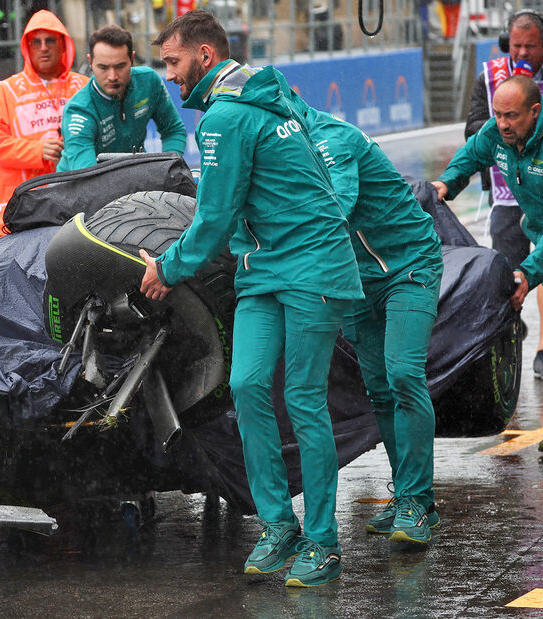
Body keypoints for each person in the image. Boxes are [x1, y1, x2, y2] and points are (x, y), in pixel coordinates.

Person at [139, 10, 362, 587]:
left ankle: (323, 541)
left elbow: (213, 218)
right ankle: (277, 524)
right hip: (264, 267)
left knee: (305, 398)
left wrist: (167, 267)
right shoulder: (261, 89)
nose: (168, 77)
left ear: (205, 57)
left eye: (173, 63)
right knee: (246, 384)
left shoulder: (226, 118)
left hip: (312, 265)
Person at [285, 87, 444, 545]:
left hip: (409, 263)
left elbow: (336, 209)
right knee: (379, 389)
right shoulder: (281, 149)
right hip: (355, 279)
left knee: (403, 374)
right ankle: (408, 495)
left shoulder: (331, 139)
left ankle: (417, 500)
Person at [435, 75, 543, 456]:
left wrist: (529, 272)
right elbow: (472, 154)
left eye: (513, 116)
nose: (503, 123)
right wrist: (445, 185)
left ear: (536, 112)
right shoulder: (498, 133)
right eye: (498, 115)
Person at [465, 10, 543, 382]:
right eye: (516, 45)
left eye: (530, 46)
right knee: (504, 277)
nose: (523, 52)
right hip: (508, 200)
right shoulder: (489, 78)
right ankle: (503, 348)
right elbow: (474, 130)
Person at [0, 10, 87, 236]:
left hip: (75, 207)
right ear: (27, 47)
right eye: (36, 42)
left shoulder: (83, 88)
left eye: (50, 40)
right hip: (21, 212)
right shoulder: (6, 92)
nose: (43, 47)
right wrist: (37, 150)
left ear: (63, 45)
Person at [57, 24, 185, 171]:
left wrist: (165, 170)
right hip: (79, 185)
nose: (112, 76)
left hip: (129, 174)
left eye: (120, 66)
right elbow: (87, 177)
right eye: (103, 67)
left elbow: (173, 130)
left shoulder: (148, 81)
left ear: (132, 58)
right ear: (90, 62)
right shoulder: (78, 111)